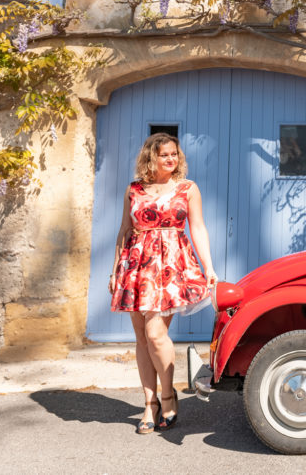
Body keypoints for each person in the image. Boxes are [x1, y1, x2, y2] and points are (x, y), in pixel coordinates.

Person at [108, 133, 217, 434]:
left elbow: (198, 227)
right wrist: (115, 269)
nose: (171, 159)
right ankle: (149, 403)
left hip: (170, 266)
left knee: (156, 333)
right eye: (164, 155)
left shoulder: (187, 188)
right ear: (150, 158)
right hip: (136, 266)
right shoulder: (134, 189)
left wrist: (208, 267)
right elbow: (124, 231)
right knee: (142, 337)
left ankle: (168, 395)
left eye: (174, 154)